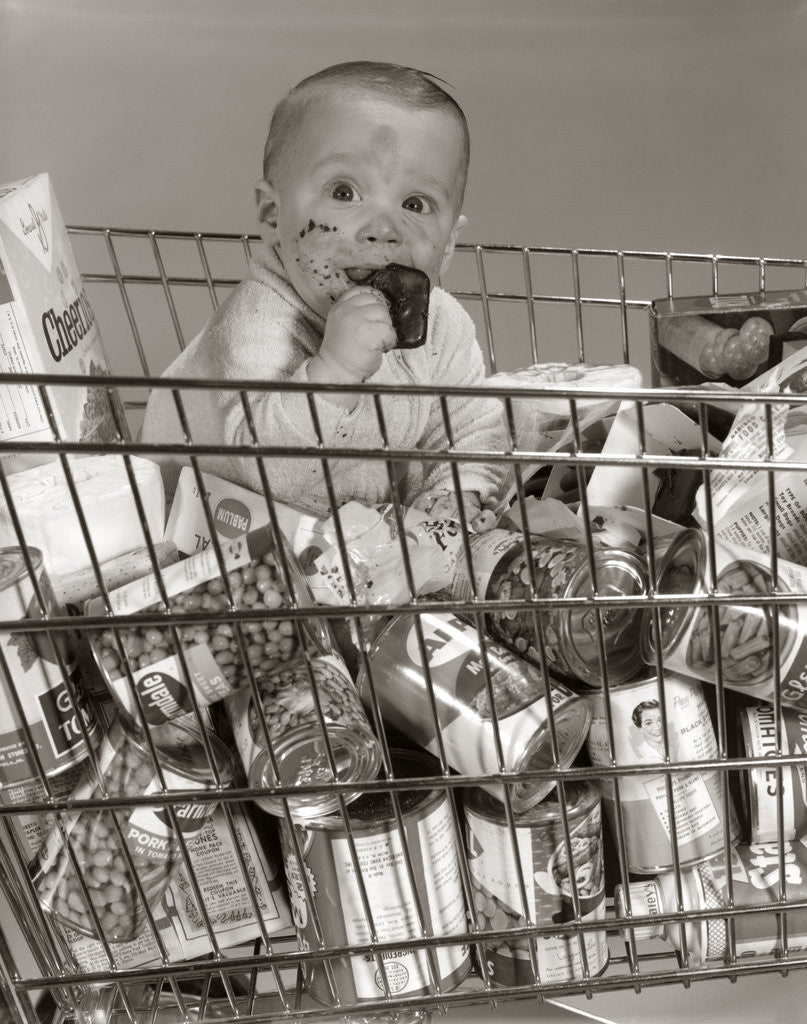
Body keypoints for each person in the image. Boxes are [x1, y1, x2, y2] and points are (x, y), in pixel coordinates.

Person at [140, 61, 507, 529]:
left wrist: (459, 490)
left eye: (415, 205)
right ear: (274, 215)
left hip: (354, 541)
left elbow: (471, 424)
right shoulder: (256, 324)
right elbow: (270, 469)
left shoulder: (442, 328)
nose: (383, 230)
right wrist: (334, 374)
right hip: (218, 530)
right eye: (345, 192)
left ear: (450, 244)